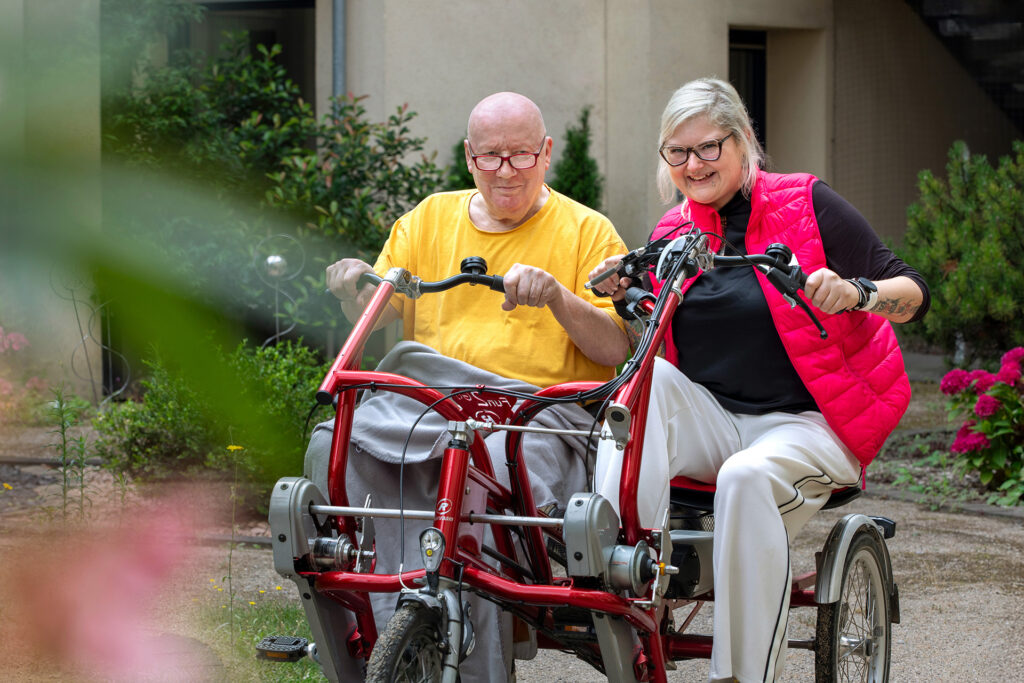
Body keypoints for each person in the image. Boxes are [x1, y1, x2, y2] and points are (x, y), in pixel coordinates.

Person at [589, 77, 929, 683]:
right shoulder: (673, 233)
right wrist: (627, 293)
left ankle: (739, 677)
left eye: (709, 148)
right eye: (678, 152)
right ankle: (625, 568)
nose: (693, 165)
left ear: (743, 142)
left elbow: (912, 291)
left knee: (746, 479)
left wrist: (856, 293)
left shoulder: (807, 202)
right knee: (648, 385)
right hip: (718, 420)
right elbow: (655, 335)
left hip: (810, 423)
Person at [307, 91, 629, 682]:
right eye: (490, 157)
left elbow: (618, 348)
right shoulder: (428, 218)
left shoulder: (590, 232)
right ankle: (387, 633)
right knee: (338, 440)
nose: (505, 170)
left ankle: (471, 658)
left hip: (536, 414)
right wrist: (355, 285)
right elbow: (375, 316)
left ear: (547, 153)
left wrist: (558, 296)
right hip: (428, 399)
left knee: (489, 474)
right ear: (468, 157)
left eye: (521, 156)